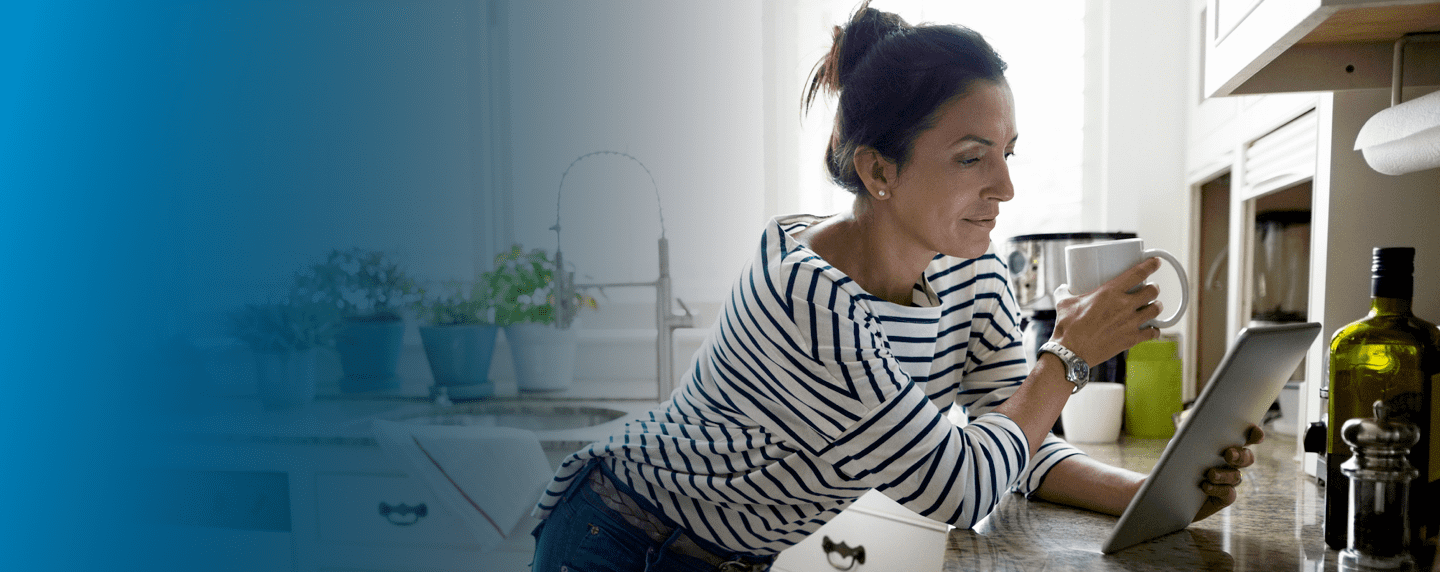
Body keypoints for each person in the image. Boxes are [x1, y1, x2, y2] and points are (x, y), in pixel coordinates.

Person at [530, 3, 1260, 571]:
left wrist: (1158, 495)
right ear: (879, 172)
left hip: (732, 553)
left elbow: (1018, 447)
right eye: (973, 158)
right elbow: (960, 487)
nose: (1005, 186)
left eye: (1007, 153)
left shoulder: (970, 267)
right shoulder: (808, 299)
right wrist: (1066, 356)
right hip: (619, 536)